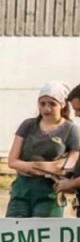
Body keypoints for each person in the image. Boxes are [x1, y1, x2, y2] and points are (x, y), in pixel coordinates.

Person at [5, 81, 77, 218]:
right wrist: (46, 166)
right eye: (42, 103)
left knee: (43, 230)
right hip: (22, 189)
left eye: (52, 104)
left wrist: (34, 166)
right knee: (14, 227)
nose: (46, 109)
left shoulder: (71, 130)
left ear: (62, 105)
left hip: (50, 191)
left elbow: (71, 164)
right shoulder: (28, 125)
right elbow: (12, 161)